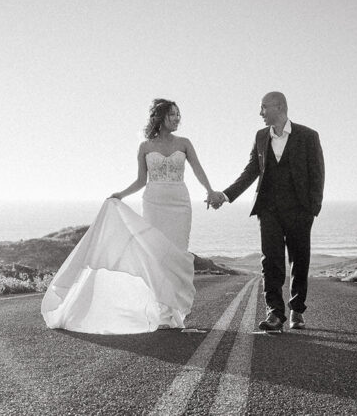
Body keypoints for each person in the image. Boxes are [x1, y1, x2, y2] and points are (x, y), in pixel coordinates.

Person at [41, 99, 223, 334]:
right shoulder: (145, 147)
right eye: (172, 115)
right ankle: (164, 314)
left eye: (179, 115)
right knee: (157, 256)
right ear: (159, 117)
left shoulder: (185, 143)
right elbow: (140, 181)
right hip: (154, 203)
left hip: (180, 202)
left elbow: (198, 170)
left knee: (177, 253)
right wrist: (120, 195)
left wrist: (209, 191)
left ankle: (173, 311)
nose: (177, 118)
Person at [208, 92, 324, 332]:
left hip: (300, 210)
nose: (260, 113)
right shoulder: (261, 136)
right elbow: (251, 170)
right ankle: (275, 313)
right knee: (270, 261)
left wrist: (312, 208)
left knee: (299, 260)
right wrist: (226, 195)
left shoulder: (308, 136)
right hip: (268, 209)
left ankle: (297, 310)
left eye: (263, 107)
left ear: (279, 107)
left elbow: (317, 174)